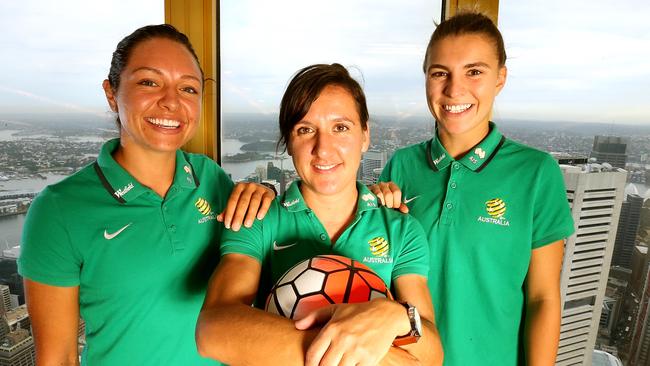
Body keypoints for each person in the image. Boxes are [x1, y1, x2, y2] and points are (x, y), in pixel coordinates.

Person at [18, 24, 274, 365]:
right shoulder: (59, 209)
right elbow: (59, 358)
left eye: (188, 88)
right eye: (149, 82)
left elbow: (258, 241)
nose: (171, 102)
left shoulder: (209, 177)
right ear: (112, 94)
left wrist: (265, 190)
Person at [196, 63, 443, 366]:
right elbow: (213, 329)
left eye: (340, 127)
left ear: (365, 135)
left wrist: (394, 316)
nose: (323, 149)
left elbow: (431, 354)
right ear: (288, 141)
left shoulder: (401, 229)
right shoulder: (257, 218)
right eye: (305, 130)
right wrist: (345, 348)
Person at [372, 12, 575, 366]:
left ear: (500, 79)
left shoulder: (537, 173)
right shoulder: (399, 166)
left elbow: (542, 298)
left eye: (474, 71)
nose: (454, 90)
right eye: (440, 73)